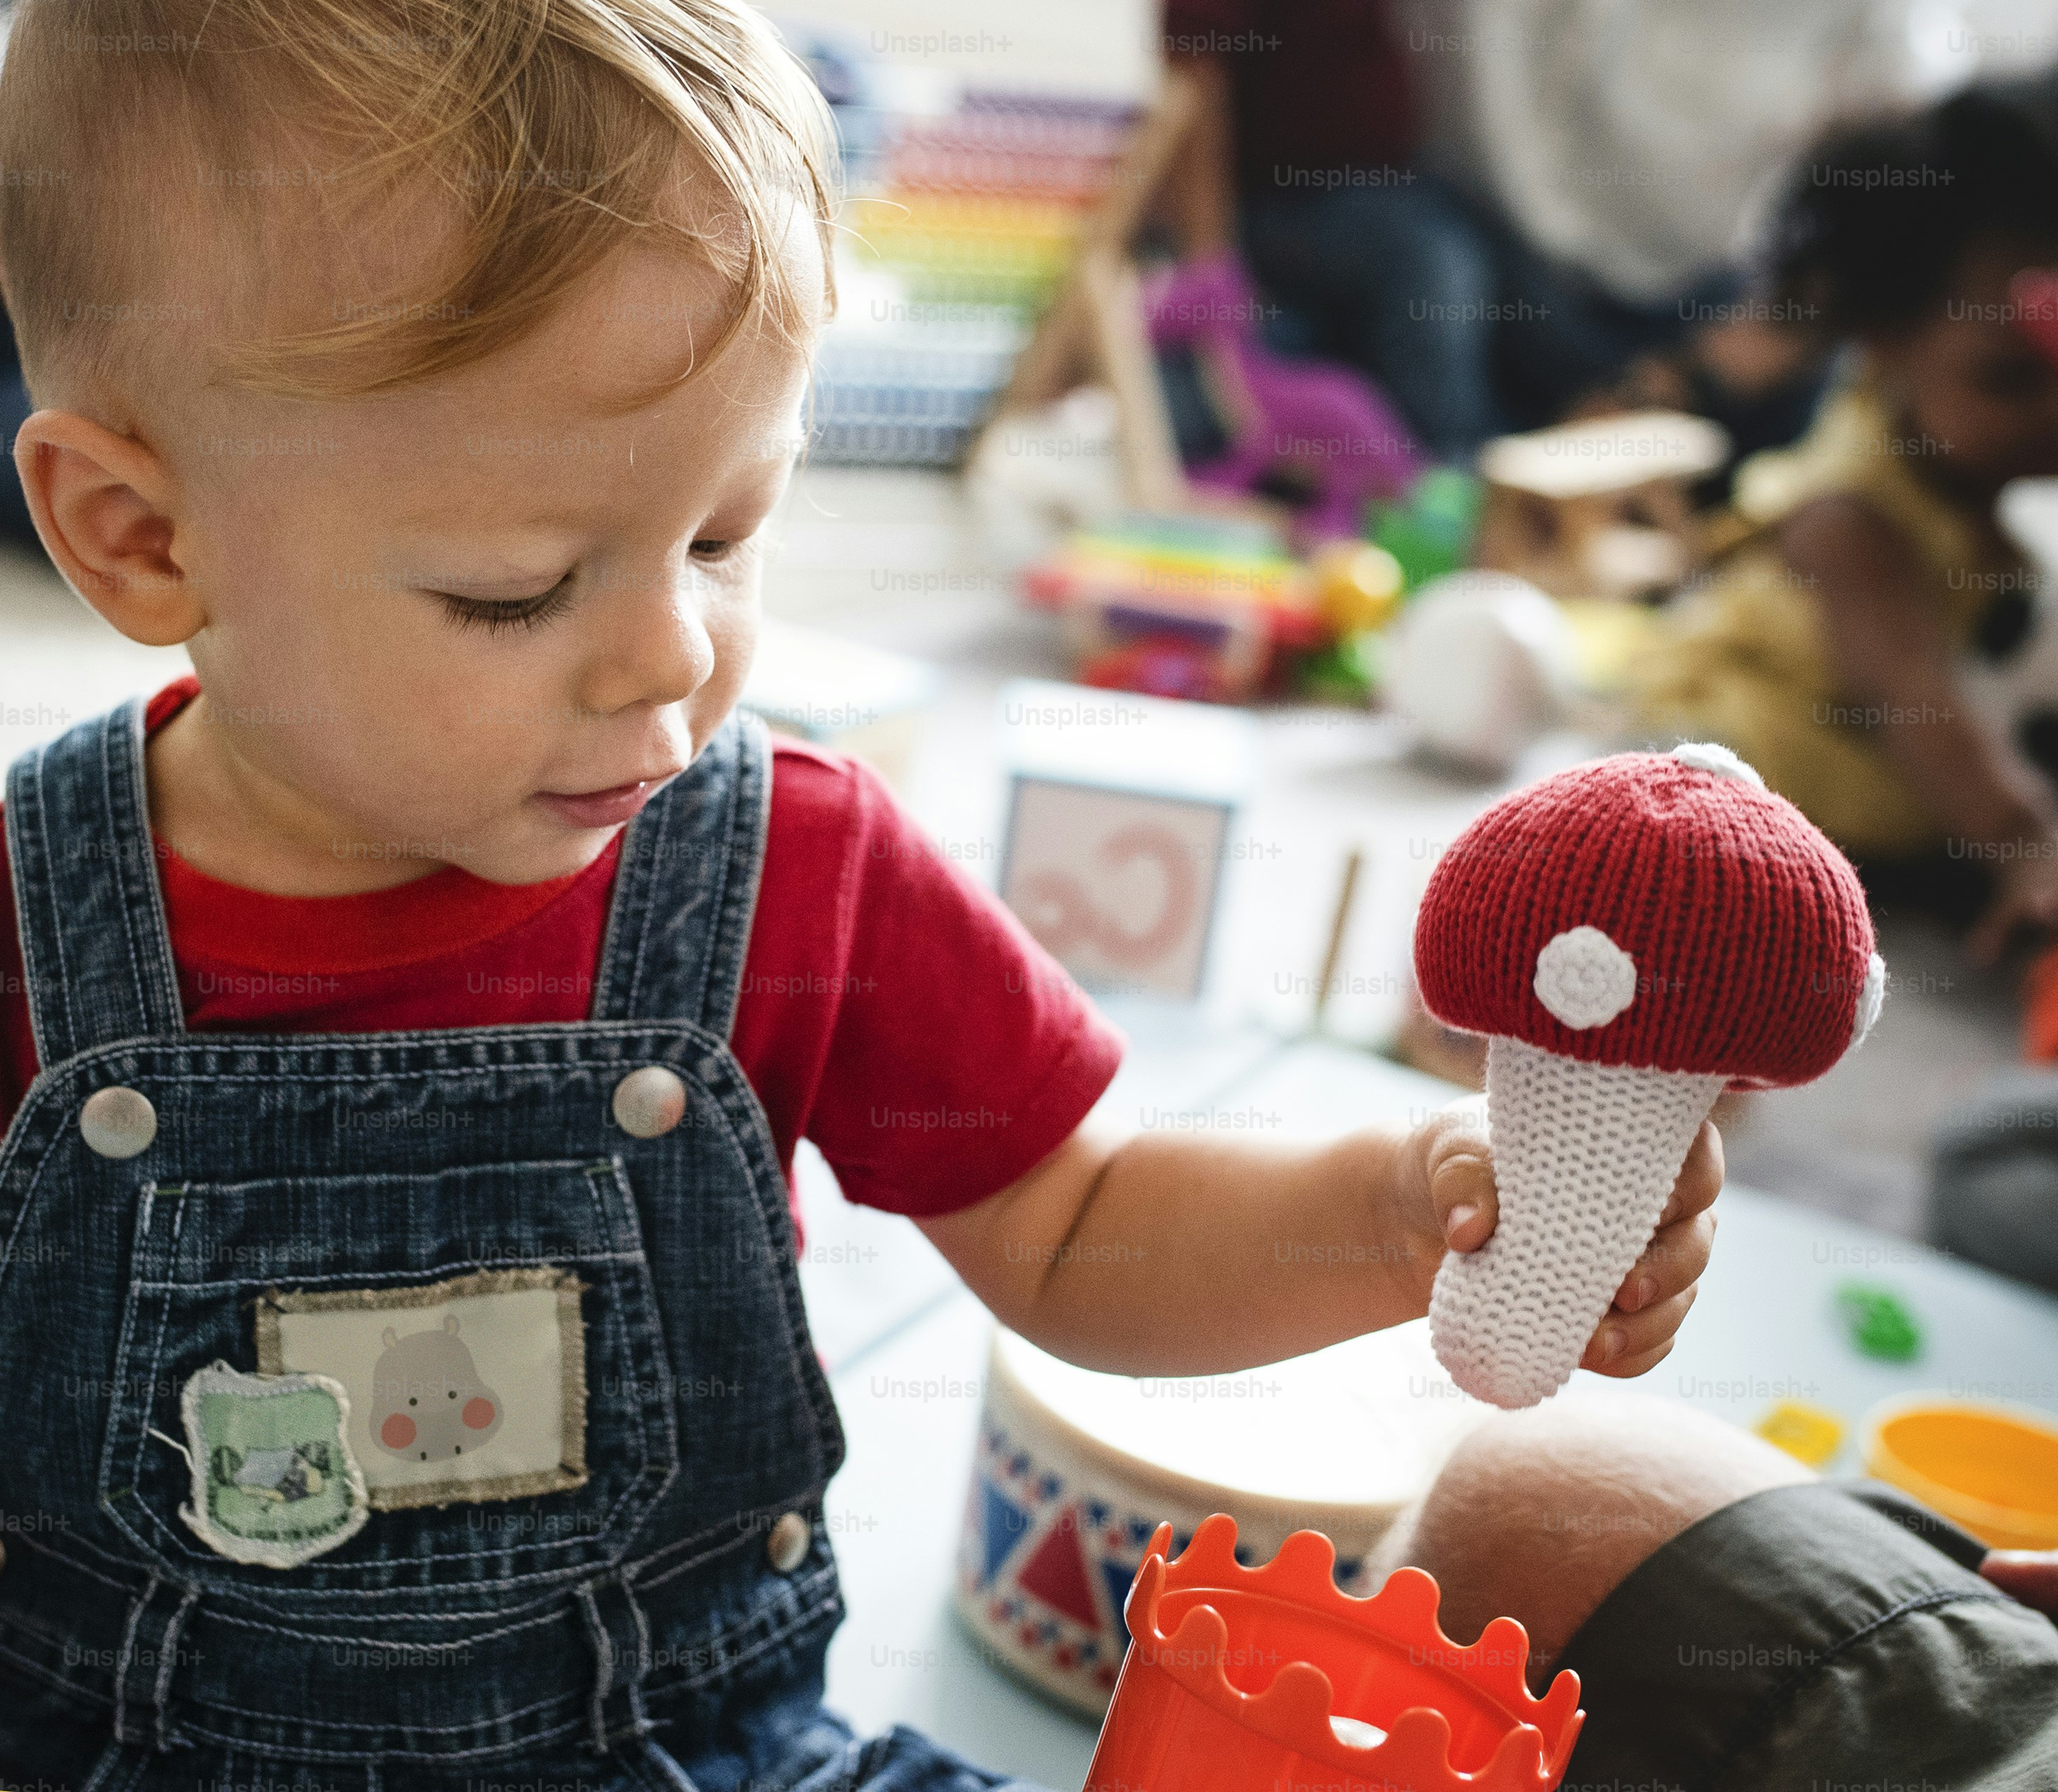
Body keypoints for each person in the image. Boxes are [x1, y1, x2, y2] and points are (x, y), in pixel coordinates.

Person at [0, 1, 1714, 1786]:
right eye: (515, 591)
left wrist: (1389, 1210)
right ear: (141, 538)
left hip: (689, 1751)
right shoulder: (27, 910)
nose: (670, 656)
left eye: (725, 537)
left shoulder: (786, 864)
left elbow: (1075, 1217)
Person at [1628, 76, 2058, 957]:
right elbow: (1918, 707)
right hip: (1749, 792)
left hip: (1909, 799)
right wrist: (2029, 850)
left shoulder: (1984, 472)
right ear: (1883, 340)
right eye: (2009, 382)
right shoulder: (1849, 517)